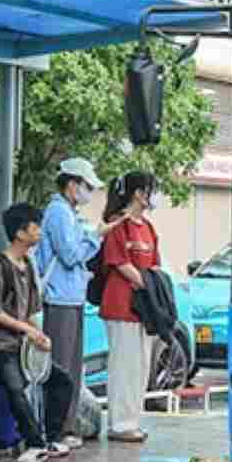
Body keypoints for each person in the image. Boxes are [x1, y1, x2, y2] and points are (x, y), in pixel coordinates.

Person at [0, 203, 78, 462]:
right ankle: (34, 442)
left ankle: (53, 437)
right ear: (20, 233)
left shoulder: (28, 266)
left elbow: (33, 310)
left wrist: (40, 336)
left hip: (24, 345)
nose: (40, 233)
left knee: (61, 380)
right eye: (35, 227)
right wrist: (27, 330)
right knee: (16, 387)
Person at [37, 156, 113, 444]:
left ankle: (65, 426)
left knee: (71, 366)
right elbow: (70, 255)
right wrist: (97, 236)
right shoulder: (58, 213)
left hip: (72, 298)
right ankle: (56, 429)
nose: (89, 192)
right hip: (60, 300)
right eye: (86, 186)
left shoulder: (68, 213)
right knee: (61, 366)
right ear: (72, 184)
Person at [100, 172, 162, 444]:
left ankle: (133, 420)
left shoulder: (147, 228)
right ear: (139, 193)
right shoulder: (118, 226)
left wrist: (152, 287)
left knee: (140, 366)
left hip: (143, 309)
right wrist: (147, 284)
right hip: (121, 304)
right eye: (151, 189)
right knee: (123, 366)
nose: (153, 195)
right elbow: (118, 262)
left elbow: (155, 264)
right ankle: (120, 424)